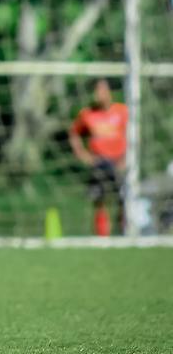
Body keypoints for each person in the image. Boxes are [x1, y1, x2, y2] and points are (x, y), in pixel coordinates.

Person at [69, 79, 128, 236]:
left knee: (124, 198)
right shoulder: (87, 113)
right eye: (96, 91)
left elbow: (133, 135)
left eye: (101, 90)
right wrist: (83, 155)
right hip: (99, 163)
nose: (97, 95)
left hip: (119, 162)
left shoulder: (122, 111)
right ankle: (102, 237)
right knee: (99, 199)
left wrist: (127, 157)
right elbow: (74, 133)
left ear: (109, 92)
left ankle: (125, 232)